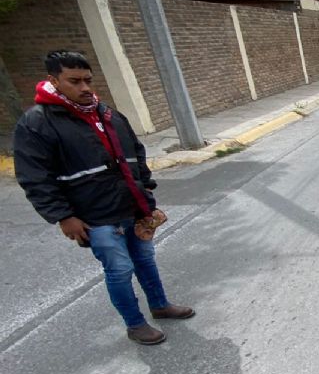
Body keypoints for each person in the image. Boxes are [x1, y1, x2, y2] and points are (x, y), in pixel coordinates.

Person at [13, 50, 194, 346]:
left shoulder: (105, 113)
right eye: (74, 81)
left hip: (132, 208)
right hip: (94, 217)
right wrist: (63, 216)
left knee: (146, 261)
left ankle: (160, 305)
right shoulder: (37, 123)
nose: (84, 88)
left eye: (87, 80)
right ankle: (135, 324)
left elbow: (135, 152)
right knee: (120, 270)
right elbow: (35, 177)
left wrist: (145, 189)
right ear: (53, 80)